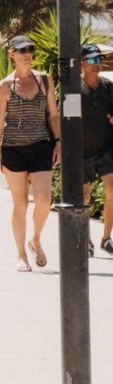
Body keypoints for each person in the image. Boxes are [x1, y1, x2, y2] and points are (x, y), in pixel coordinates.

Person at [0, 33, 60, 273]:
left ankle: (35, 239)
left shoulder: (44, 80)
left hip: (40, 145)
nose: (27, 54)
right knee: (20, 203)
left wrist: (58, 142)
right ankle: (21, 255)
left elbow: (53, 114)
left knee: (44, 200)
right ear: (12, 55)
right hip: (14, 148)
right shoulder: (5, 86)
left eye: (30, 49)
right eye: (22, 50)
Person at [78, 45, 113, 256]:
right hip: (82, 150)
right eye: (91, 61)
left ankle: (106, 238)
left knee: (112, 190)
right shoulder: (74, 88)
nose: (96, 64)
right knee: (83, 196)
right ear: (81, 63)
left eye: (98, 60)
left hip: (106, 148)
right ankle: (86, 240)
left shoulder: (109, 87)